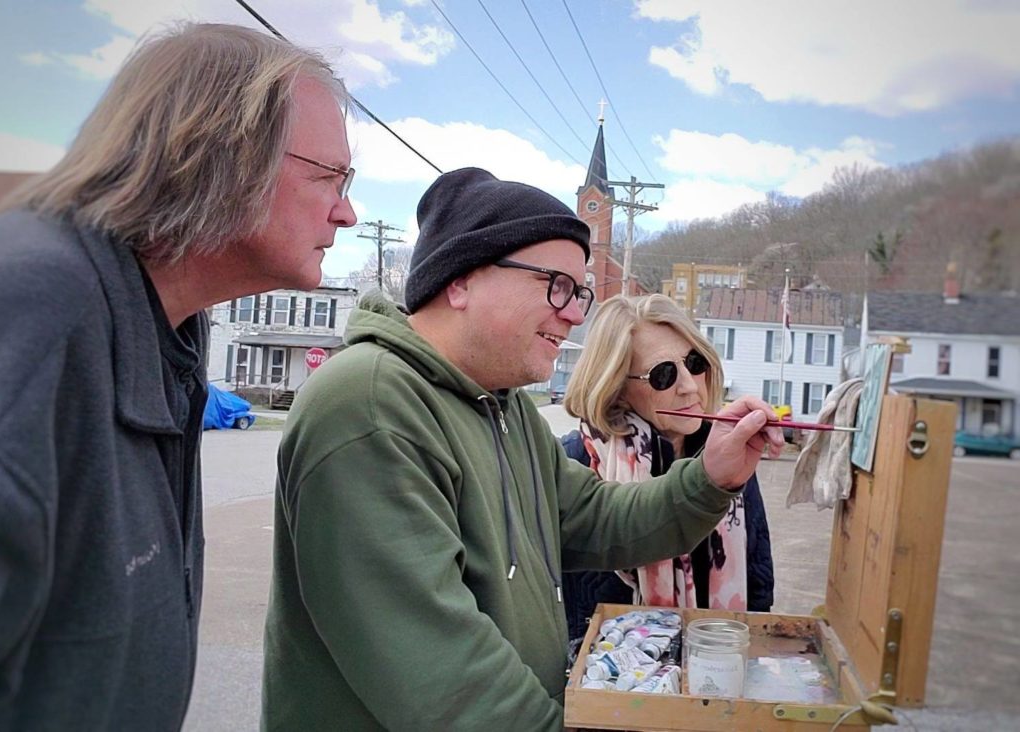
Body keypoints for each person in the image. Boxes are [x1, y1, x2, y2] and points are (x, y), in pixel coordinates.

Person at [261, 167, 783, 730]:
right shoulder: (370, 405)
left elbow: (597, 518)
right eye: (555, 284)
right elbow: (445, 677)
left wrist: (710, 476)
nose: (577, 312)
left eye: (580, 292)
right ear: (460, 281)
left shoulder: (502, 405)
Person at [0, 24, 356, 730]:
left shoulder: (169, 336)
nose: (346, 210)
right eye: (328, 178)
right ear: (219, 152)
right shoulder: (33, 311)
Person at [560, 294, 774, 643]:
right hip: (606, 679)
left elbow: (758, 582)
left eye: (695, 362)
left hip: (715, 664)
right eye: (663, 375)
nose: (689, 386)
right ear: (616, 387)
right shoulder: (575, 460)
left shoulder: (728, 457)